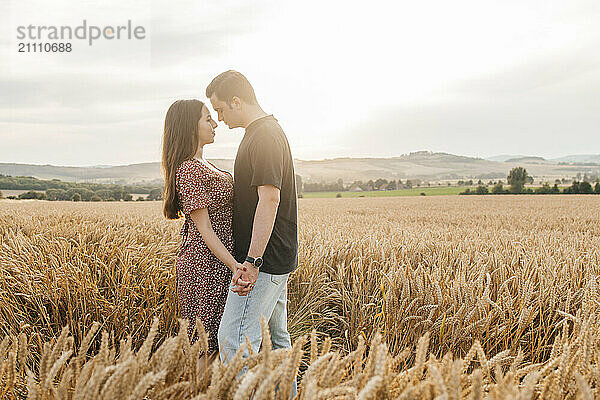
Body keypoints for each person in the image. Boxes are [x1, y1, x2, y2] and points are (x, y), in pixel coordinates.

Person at [208, 70, 299, 396]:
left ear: (236, 100)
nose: (219, 118)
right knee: (277, 341)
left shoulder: (264, 136)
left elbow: (270, 197)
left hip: (265, 260)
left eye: (220, 109)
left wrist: (252, 261)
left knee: (233, 340)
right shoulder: (264, 131)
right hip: (277, 258)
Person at [161, 99, 249, 365]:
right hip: (204, 265)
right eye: (207, 118)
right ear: (189, 126)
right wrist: (235, 265)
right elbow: (205, 230)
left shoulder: (204, 164)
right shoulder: (188, 169)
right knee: (207, 343)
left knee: (221, 340)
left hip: (220, 261)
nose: (215, 124)